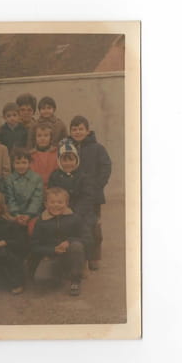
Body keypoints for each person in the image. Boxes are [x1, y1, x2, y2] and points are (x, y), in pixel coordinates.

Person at [69, 115, 112, 271]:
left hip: (94, 196)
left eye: (81, 129)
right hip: (76, 195)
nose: (77, 132)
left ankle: (94, 256)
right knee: (78, 224)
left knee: (94, 226)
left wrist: (97, 186)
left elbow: (106, 167)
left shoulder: (98, 148)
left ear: (88, 131)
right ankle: (82, 257)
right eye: (74, 129)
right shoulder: (68, 147)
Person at [30, 187, 91, 296]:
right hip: (51, 255)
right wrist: (52, 250)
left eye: (60, 202)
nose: (56, 205)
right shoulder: (41, 222)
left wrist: (69, 241)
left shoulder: (75, 218)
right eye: (52, 202)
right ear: (46, 204)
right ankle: (60, 273)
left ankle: (75, 279)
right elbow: (34, 246)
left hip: (71, 254)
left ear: (67, 203)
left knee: (76, 246)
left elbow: (87, 238)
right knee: (42, 279)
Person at [48, 140, 94, 218]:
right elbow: (52, 195)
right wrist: (60, 209)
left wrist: (75, 211)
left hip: (79, 211)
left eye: (71, 160)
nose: (68, 163)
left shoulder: (83, 177)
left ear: (77, 160)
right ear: (59, 161)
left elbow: (87, 197)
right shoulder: (55, 176)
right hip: (59, 210)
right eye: (64, 160)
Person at [4, 148, 43, 227]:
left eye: (24, 162)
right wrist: (17, 214)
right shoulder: (9, 179)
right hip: (15, 215)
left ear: (29, 163)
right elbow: (10, 198)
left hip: (33, 214)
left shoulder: (37, 178)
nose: (21, 166)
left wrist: (28, 215)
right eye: (17, 163)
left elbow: (37, 199)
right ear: (13, 164)